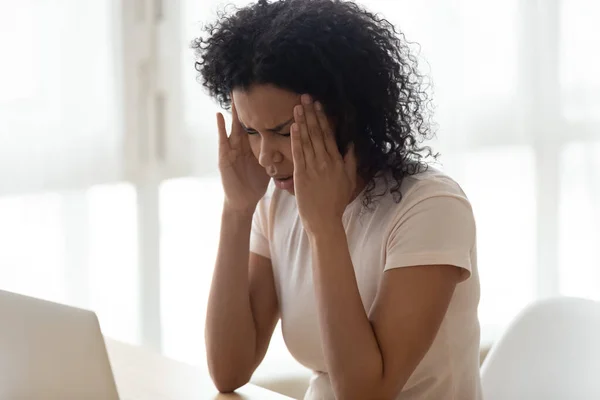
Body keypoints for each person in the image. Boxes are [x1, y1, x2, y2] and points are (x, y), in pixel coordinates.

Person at [193, 0, 482, 399]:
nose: (265, 156)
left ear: (346, 114)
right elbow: (229, 371)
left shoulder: (431, 208)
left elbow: (365, 394)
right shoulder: (277, 202)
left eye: (282, 131)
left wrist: (325, 228)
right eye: (253, 131)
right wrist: (237, 209)